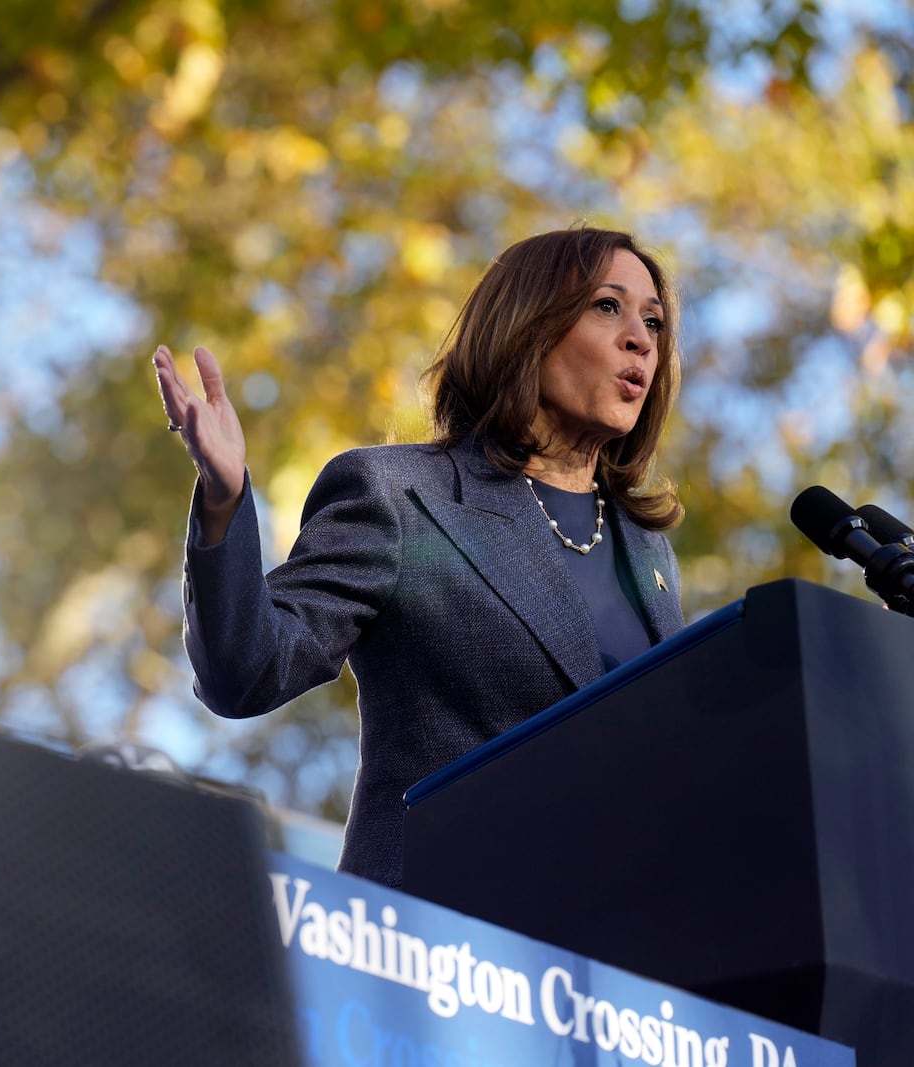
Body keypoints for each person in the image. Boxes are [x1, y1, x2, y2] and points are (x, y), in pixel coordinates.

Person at [151, 227, 686, 888]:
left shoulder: (648, 550)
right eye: (608, 306)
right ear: (528, 326)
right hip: (433, 944)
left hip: (607, 966)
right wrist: (224, 495)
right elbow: (246, 668)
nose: (641, 338)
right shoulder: (403, 496)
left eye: (654, 321)